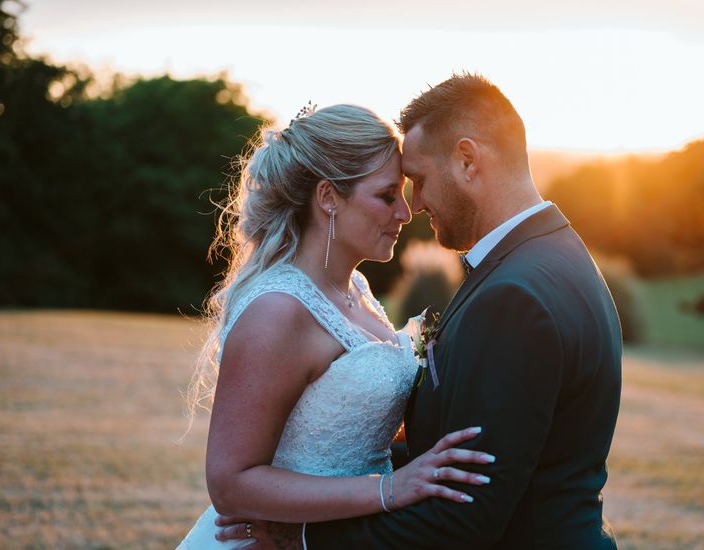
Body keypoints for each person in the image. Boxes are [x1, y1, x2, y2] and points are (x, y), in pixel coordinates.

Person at [219, 73, 623, 549]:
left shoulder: (514, 294)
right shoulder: (559, 257)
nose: (413, 207)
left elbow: (464, 514)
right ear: (327, 198)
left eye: (418, 182)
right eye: (390, 193)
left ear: (468, 161)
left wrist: (303, 539)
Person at [177, 104, 496, 549]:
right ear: (328, 197)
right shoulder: (278, 309)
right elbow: (231, 484)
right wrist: (391, 489)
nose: (405, 213)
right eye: (387, 196)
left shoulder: (357, 288)